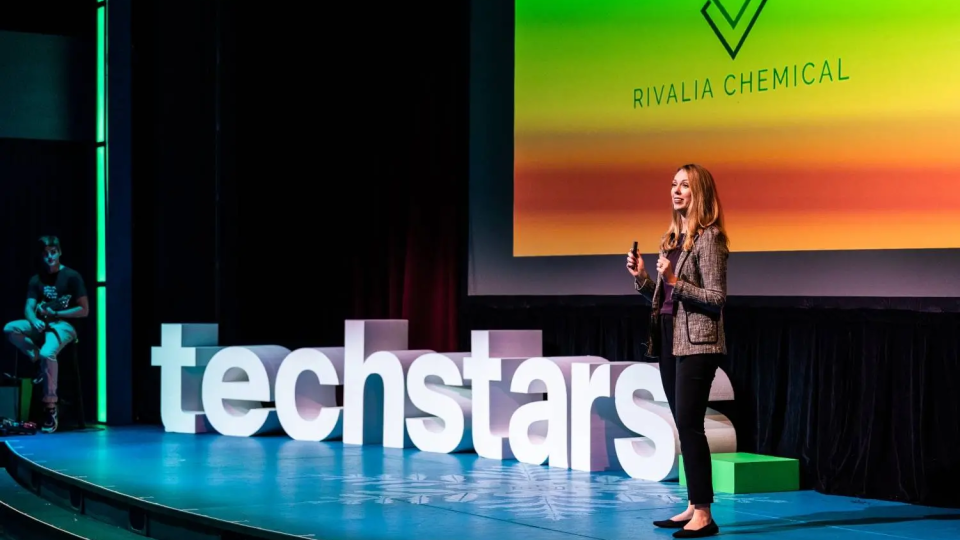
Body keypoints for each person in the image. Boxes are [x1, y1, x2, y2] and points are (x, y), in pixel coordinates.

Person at [625, 164, 729, 539]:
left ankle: (704, 514)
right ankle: (692, 505)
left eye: (685, 185)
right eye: (673, 184)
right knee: (682, 426)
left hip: (699, 342)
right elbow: (665, 300)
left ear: (699, 193)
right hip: (670, 338)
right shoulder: (671, 239)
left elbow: (716, 298)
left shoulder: (709, 238)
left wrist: (674, 280)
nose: (676, 190)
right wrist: (644, 280)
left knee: (690, 424)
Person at [3, 235, 89, 433]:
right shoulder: (36, 279)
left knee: (47, 353)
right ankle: (36, 358)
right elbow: (29, 307)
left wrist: (56, 314)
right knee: (10, 328)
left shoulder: (72, 276)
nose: (50, 257)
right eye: (46, 254)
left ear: (59, 252)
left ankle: (50, 406)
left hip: (64, 325)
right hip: (42, 323)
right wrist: (34, 320)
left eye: (53, 252)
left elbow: (84, 310)